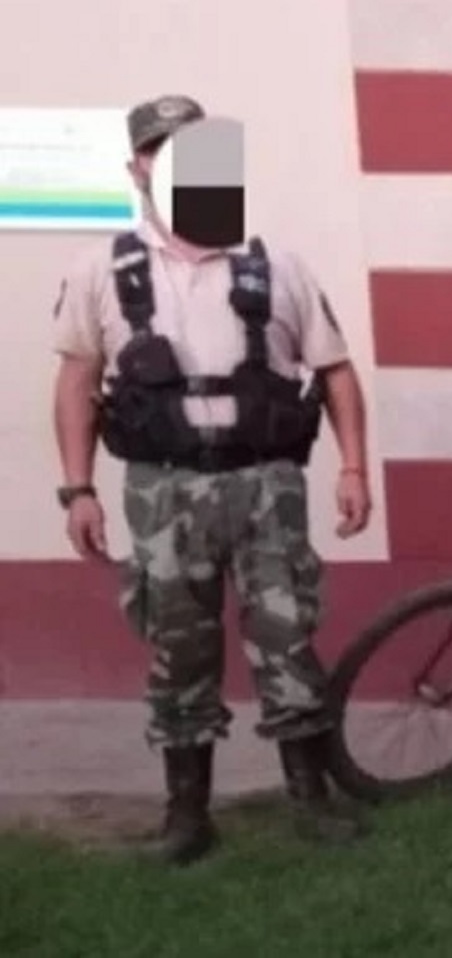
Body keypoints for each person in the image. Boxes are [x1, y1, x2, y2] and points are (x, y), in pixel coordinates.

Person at [50, 94, 373, 865]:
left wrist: (355, 466)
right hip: (164, 495)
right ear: (139, 168)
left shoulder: (279, 266)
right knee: (177, 647)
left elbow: (335, 375)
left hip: (267, 487)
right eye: (161, 152)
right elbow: (75, 387)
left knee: (288, 637)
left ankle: (309, 796)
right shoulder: (104, 269)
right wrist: (78, 488)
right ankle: (187, 813)